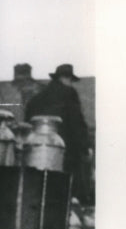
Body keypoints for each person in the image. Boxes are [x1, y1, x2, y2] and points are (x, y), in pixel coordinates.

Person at [25, 63, 92, 201]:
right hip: (66, 152)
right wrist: (86, 147)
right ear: (66, 79)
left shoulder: (38, 98)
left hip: (38, 150)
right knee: (66, 193)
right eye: (70, 80)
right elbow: (77, 123)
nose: (71, 83)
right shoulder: (69, 94)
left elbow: (28, 121)